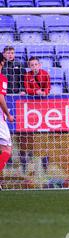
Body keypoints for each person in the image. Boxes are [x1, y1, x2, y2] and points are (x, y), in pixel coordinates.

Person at [0, 53, 15, 182]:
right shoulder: (1, 78)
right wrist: (8, 114)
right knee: (7, 150)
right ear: (2, 63)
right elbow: (0, 97)